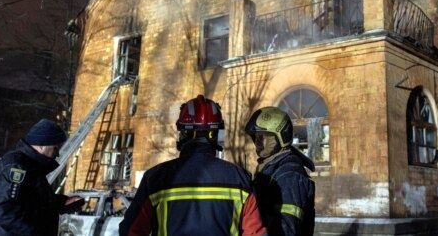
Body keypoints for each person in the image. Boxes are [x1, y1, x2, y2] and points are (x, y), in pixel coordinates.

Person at [119, 95, 266, 236]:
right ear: (215, 134)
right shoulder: (240, 179)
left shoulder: (156, 178)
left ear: (183, 133)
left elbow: (131, 231)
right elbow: (255, 232)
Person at [0, 118, 84, 236]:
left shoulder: (31, 167)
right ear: (42, 144)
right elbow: (5, 211)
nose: (57, 153)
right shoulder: (16, 166)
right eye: (55, 148)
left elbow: (33, 203)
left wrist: (62, 203)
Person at [245, 107, 315, 236]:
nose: (258, 142)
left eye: (263, 137)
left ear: (280, 137)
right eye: (256, 137)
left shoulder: (290, 174)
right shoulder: (271, 169)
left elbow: (286, 229)